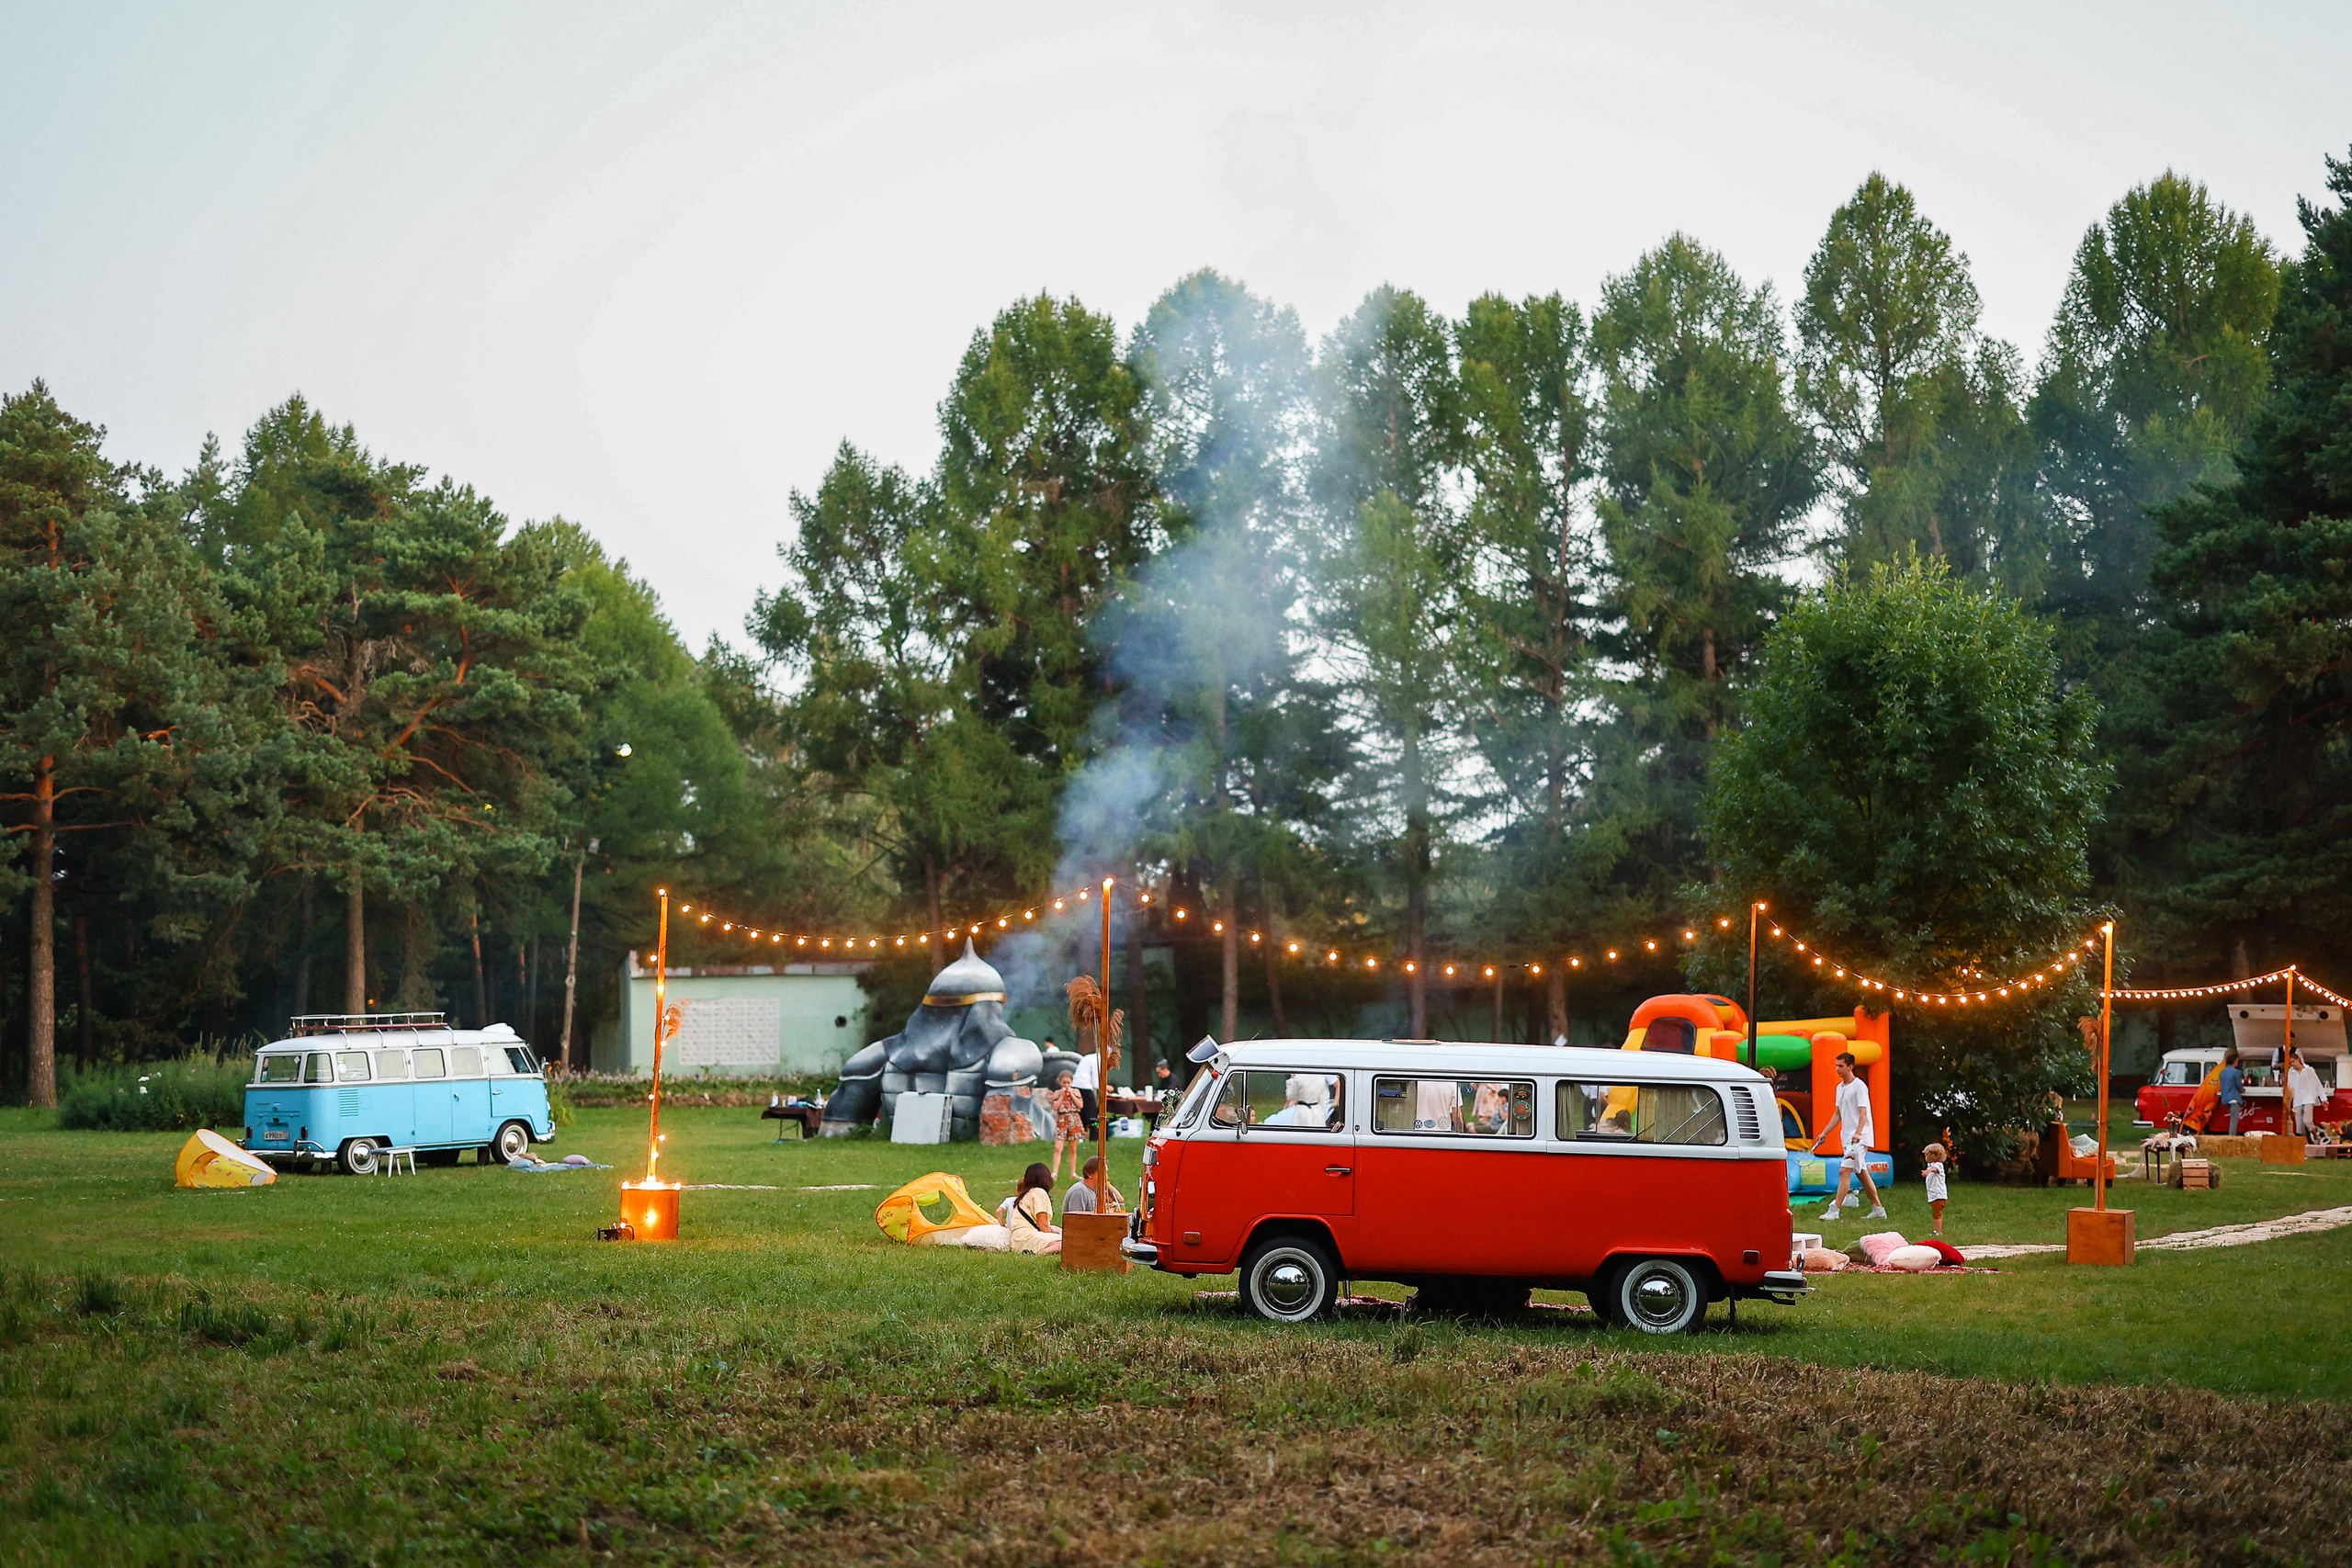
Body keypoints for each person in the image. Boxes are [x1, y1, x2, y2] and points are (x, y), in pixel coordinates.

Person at [1819, 1052, 1886, 1221]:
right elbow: (1838, 1113)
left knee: (1844, 1171)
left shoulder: (1859, 1086)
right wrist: (1824, 1133)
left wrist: (1858, 1133)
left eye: (1841, 1066)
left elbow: (1863, 1113)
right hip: (1847, 1137)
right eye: (1836, 1066)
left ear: (1850, 1067)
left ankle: (1834, 1209)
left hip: (1859, 1138)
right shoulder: (1839, 1088)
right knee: (1862, 1172)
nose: (1837, 1069)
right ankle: (1878, 1209)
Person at [997, 1162, 1061, 1255]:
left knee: (1059, 1232)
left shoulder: (1026, 1194)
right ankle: (1037, 1253)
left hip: (1018, 1239)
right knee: (1066, 1243)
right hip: (1028, 1237)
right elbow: (1043, 1226)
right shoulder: (1039, 1192)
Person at [1046, 1066, 1085, 1179]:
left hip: (1073, 1119)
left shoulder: (1076, 1091)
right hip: (1062, 1120)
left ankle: (1073, 1173)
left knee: (1073, 1148)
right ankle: (1055, 1173)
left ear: (1072, 1082)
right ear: (1060, 1082)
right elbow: (1055, 1107)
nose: (1066, 1085)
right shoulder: (1057, 1093)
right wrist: (1062, 1096)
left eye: (1068, 1083)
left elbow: (1080, 1105)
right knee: (1058, 1147)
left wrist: (1071, 1095)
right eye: (1064, 1083)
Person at [1061, 1155, 1125, 1216]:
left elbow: (1118, 1200)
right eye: (1103, 1173)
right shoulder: (1080, 1191)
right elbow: (1076, 1218)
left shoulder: (1095, 1190)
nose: (1107, 1176)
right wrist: (1102, 1213)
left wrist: (1106, 1183)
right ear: (1090, 1174)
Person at [2287, 1047, 2325, 1141]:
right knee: (2299, 1125)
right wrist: (2288, 1101)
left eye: (2293, 1062)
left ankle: (2316, 1134)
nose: (2292, 1064)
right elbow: (2289, 1087)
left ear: (2298, 1060)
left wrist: (2323, 1098)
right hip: (2297, 1099)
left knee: (2307, 1120)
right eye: (2290, 1063)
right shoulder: (2291, 1072)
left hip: (2309, 1097)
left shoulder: (2309, 1070)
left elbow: (2317, 1084)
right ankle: (2304, 1144)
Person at [1921, 1141, 1951, 1237]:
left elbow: (1935, 1169)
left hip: (1939, 1195)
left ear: (1934, 1156)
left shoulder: (1938, 1165)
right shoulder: (1931, 1165)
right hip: (1934, 1194)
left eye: (1927, 1155)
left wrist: (1928, 1171)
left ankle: (1938, 1231)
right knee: (1936, 1212)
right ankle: (1937, 1230)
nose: (1925, 1157)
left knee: (1937, 1214)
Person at [1071, 1043, 1102, 1138]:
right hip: (1085, 1086)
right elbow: (1096, 1081)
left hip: (1076, 1085)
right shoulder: (1098, 1060)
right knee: (1092, 1112)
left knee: (1082, 1112)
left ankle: (1081, 1133)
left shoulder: (1090, 1057)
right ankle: (1094, 1135)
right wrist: (1105, 1088)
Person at [2217, 1048, 2245, 1136]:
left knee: (2232, 1119)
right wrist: (2242, 1090)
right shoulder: (2235, 1072)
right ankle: (2232, 1137)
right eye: (2236, 1061)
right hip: (2234, 1098)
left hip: (2225, 1099)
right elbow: (2239, 1085)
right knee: (2234, 1120)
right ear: (2234, 1062)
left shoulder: (2222, 1072)